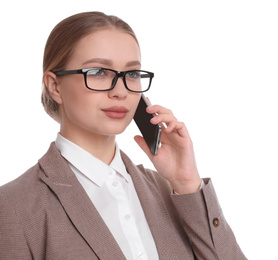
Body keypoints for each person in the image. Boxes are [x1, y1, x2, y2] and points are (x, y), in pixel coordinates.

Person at [0, 12, 247, 259]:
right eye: (98, 72)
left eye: (131, 74)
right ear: (55, 86)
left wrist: (187, 183)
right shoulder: (14, 206)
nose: (120, 91)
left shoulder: (172, 192)